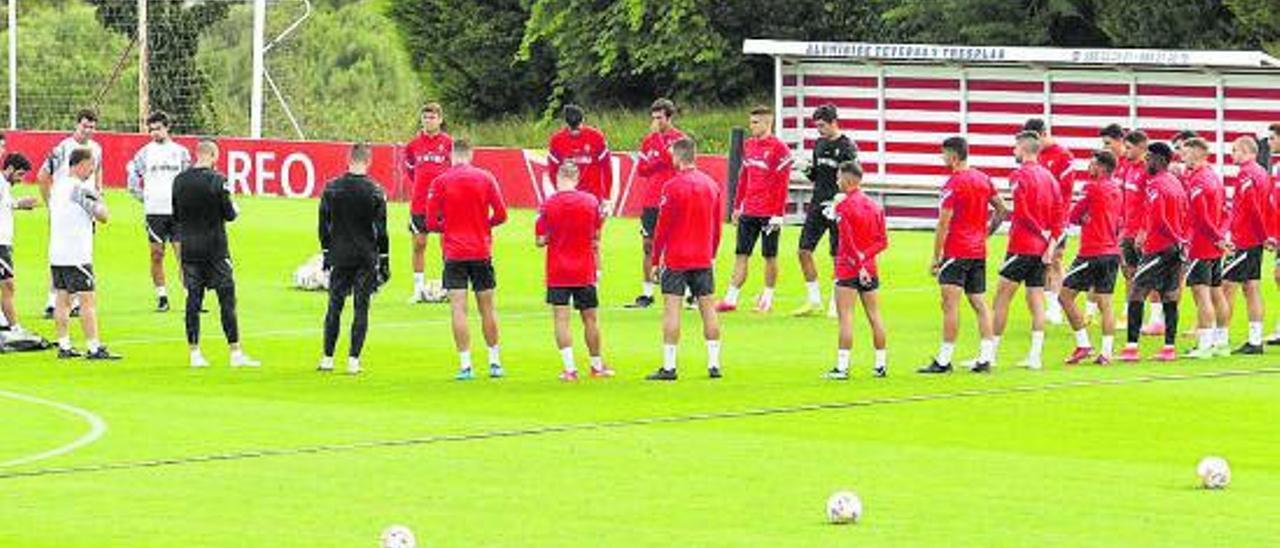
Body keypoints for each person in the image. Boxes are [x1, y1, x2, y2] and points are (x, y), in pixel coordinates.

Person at [919, 137, 1007, 374]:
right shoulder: (983, 178)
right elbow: (1002, 209)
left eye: (944, 154)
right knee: (979, 303)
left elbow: (943, 224)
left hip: (957, 251)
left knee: (950, 305)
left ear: (954, 157)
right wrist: (986, 233)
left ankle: (944, 360)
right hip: (978, 251)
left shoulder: (953, 184)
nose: (942, 159)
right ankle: (985, 358)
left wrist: (936, 257)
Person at [172, 139, 259, 368]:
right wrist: (234, 208)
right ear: (212, 156)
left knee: (193, 300)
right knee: (227, 299)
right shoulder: (219, 180)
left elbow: (177, 216)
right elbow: (229, 214)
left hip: (190, 249)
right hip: (215, 249)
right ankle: (235, 352)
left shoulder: (179, 181)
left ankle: (194, 353)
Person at [426, 138, 508, 380]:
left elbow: (430, 223)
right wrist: (484, 225)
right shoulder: (486, 177)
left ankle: (466, 365)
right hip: (481, 250)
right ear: (470, 154)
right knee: (488, 308)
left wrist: (448, 227)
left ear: (452, 155)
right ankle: (494, 362)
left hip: (454, 252)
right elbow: (502, 214)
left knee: (458, 310)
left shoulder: (440, 181)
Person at [645, 137, 723, 381]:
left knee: (672, 311)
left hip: (677, 258)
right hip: (702, 257)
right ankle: (714, 364)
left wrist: (656, 259)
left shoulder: (672, 187)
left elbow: (662, 227)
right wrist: (711, 254)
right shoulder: (711, 185)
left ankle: (669, 367)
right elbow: (717, 226)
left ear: (678, 156)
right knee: (708, 309)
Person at [535, 162, 613, 381]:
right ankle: (597, 366)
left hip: (558, 270)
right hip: (584, 269)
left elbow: (540, 240)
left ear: (558, 178)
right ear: (576, 178)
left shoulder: (548, 205)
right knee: (590, 318)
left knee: (561, 319)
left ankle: (570, 369)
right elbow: (596, 235)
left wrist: (554, 236)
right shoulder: (590, 202)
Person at [989, 132, 1061, 370]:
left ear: (1023, 148)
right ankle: (1035, 356)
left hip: (1022, 245)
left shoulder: (1019, 175)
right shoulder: (1050, 177)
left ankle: (989, 354)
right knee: (1036, 298)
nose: (1013, 152)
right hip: (1042, 249)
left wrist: (1040, 233)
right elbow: (1059, 214)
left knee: (1001, 298)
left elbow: (1022, 210)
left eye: (1015, 148)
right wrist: (1050, 242)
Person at [317, 143, 389, 375]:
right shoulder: (376, 191)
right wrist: (384, 259)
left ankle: (327, 358)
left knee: (334, 307)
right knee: (361, 308)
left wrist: (327, 252)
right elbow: (381, 230)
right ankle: (353, 360)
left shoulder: (332, 188)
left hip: (340, 254)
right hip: (365, 255)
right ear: (368, 161)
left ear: (348, 159)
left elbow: (323, 226)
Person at [718, 105, 792, 313]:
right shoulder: (749, 145)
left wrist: (778, 214)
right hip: (749, 209)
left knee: (769, 256)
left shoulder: (780, 149)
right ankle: (730, 299)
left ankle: (767, 299)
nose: (751, 126)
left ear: (768, 123)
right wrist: (737, 205)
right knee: (741, 253)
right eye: (750, 122)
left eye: (755, 122)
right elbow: (744, 177)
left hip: (769, 213)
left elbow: (782, 184)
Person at [1119, 142, 1187, 363]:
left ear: (1161, 160)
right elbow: (1183, 214)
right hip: (1175, 248)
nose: (1146, 162)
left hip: (1159, 247)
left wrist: (1152, 234)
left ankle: (1131, 347)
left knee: (1136, 292)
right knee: (1170, 295)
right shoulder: (1175, 183)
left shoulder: (1156, 185)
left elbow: (1159, 218)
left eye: (1150, 158)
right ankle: (1169, 348)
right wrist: (1181, 241)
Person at [49, 148, 119, 360]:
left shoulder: (58, 185)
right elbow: (103, 215)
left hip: (57, 252)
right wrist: (99, 198)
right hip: (77, 254)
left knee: (62, 299)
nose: (92, 171)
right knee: (87, 300)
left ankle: (64, 345)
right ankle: (94, 346)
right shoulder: (79, 189)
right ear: (80, 164)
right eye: (91, 166)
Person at [823, 161, 887, 380]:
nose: (837, 181)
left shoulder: (844, 207)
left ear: (848, 180)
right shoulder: (875, 206)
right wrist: (866, 260)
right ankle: (880, 364)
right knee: (875, 316)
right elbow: (882, 242)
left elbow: (847, 241)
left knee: (846, 318)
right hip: (870, 267)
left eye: (839, 177)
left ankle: (842, 367)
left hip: (848, 268)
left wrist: (858, 264)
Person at [793, 103, 857, 317]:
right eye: (816, 126)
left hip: (838, 205)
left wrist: (842, 199)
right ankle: (814, 300)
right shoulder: (819, 144)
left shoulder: (847, 147)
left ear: (833, 123)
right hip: (818, 203)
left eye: (821, 125)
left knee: (837, 255)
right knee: (803, 250)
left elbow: (851, 178)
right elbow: (816, 176)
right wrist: (806, 169)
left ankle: (835, 302)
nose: (818, 130)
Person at [38, 109, 102, 319]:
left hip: (85, 208)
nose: (88, 130)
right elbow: (43, 175)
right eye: (85, 126)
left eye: (92, 127)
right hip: (64, 208)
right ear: (77, 124)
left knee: (81, 251)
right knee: (61, 251)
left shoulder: (96, 148)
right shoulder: (63, 148)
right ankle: (52, 300)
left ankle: (73, 301)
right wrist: (51, 204)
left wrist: (98, 195)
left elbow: (98, 175)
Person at [1060, 150, 1123, 365]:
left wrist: (1086, 217)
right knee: (1105, 303)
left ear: (1102, 167)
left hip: (1091, 252)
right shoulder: (1117, 189)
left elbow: (1074, 216)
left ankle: (1083, 344)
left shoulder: (1091, 187)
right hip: (1112, 252)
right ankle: (1106, 353)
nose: (1089, 167)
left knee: (1064, 296)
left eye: (1092, 164)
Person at [127, 111, 192, 312]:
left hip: (177, 211)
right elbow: (132, 179)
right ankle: (162, 296)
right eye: (151, 129)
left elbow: (188, 179)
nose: (155, 133)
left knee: (183, 255)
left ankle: (192, 296)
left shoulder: (181, 153)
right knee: (157, 254)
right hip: (154, 212)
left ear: (167, 128)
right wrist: (144, 198)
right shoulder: (144, 153)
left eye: (158, 128)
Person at [629, 98, 685, 308]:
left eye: (659, 118)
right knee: (647, 244)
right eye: (653, 117)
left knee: (676, 244)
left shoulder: (679, 139)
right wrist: (656, 159)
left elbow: (672, 162)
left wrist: (659, 143)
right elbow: (642, 170)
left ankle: (685, 290)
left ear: (669, 118)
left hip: (673, 198)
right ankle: (647, 292)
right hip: (651, 199)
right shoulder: (648, 140)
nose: (655, 122)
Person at [1221, 137, 1272, 355]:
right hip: (1252, 240)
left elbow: (1251, 208)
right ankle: (1255, 339)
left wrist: (1261, 235)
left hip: (1245, 240)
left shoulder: (1247, 174)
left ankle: (1218, 338)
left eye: (1235, 150)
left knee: (1226, 285)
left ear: (1247, 151)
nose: (1232, 154)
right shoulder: (1262, 173)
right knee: (1251, 288)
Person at [1181, 138, 1229, 359]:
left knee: (1202, 295)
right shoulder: (1215, 177)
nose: (1182, 156)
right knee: (1217, 293)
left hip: (1201, 245)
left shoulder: (1198, 181)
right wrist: (1221, 236)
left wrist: (1216, 237)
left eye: (1185, 152)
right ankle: (1222, 342)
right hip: (1215, 246)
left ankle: (1205, 345)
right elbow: (1226, 211)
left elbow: (1201, 218)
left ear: (1197, 154)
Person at [1022, 118, 1074, 325]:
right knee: (1040, 262)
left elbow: (1066, 192)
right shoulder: (1034, 155)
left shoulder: (1063, 156)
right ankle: (1048, 304)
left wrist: (1058, 219)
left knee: (1055, 258)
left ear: (1043, 134)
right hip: (1036, 219)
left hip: (1056, 217)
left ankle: (1056, 307)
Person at [403, 103, 452, 304]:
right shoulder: (412, 145)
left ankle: (449, 287)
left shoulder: (449, 143)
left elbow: (454, 169)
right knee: (419, 244)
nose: (428, 121)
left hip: (445, 203)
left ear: (440, 119)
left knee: (446, 245)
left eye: (432, 117)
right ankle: (418, 289)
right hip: (420, 203)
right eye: (425, 117)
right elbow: (411, 172)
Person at [0, 152, 38, 336]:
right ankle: (14, 328)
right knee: (8, 285)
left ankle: (6, 321)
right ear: (9, 169)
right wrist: (19, 204)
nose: (21, 179)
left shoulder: (4, 186)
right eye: (20, 174)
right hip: (0, 244)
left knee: (6, 285)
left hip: (4, 243)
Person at [547, 104, 613, 203]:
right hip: (571, 198)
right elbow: (553, 171)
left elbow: (607, 168)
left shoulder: (596, 137)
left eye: (577, 127)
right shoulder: (557, 140)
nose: (575, 131)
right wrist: (560, 192)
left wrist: (607, 196)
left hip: (592, 198)